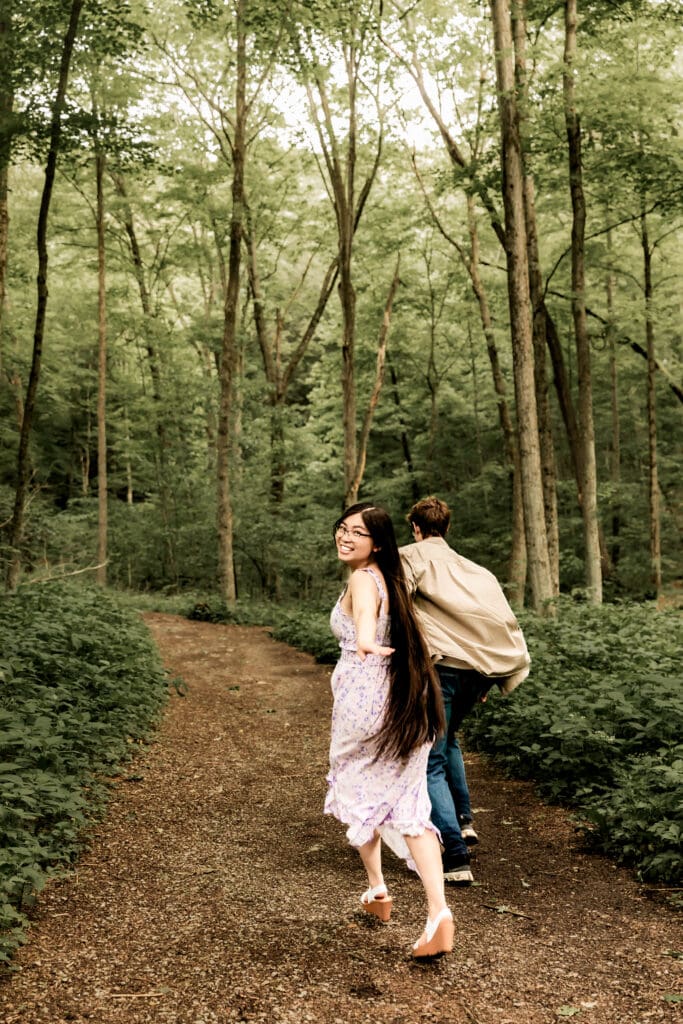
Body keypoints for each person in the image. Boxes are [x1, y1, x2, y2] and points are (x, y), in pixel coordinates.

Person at [325, 501, 454, 959]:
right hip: (405, 705)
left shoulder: (363, 579)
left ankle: (387, 891)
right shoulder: (391, 579)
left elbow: (362, 623)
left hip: (369, 709)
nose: (345, 537)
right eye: (342, 529)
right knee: (406, 804)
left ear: (376, 542)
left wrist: (364, 642)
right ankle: (420, 905)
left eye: (356, 532)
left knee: (361, 795)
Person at [399, 496, 530, 886]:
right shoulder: (478, 571)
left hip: (441, 667)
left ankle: (454, 856)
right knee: (448, 738)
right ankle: (463, 820)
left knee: (429, 758)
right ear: (447, 528)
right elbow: (500, 619)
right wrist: (488, 672)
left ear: (416, 528)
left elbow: (398, 607)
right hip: (478, 669)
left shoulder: (411, 556)